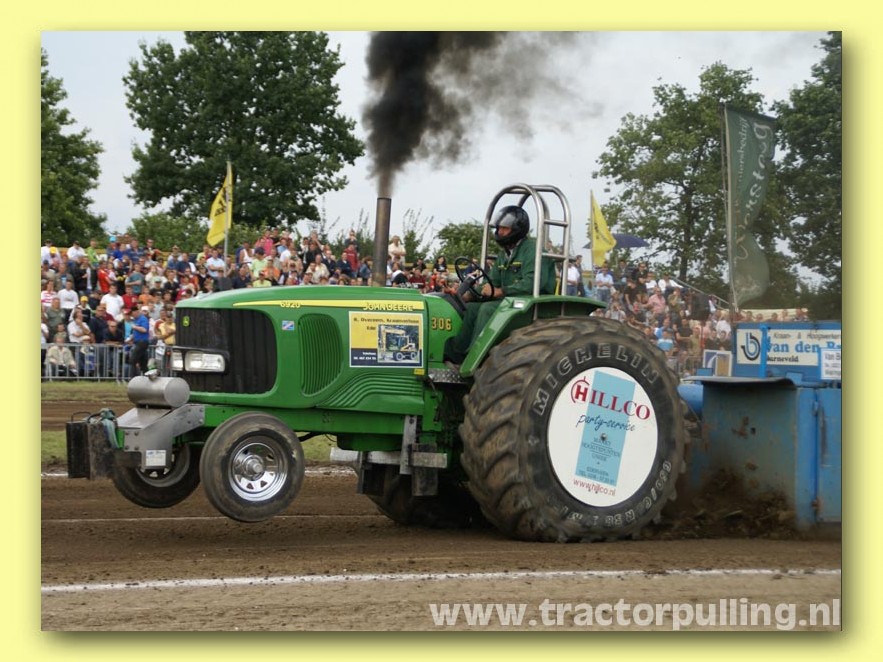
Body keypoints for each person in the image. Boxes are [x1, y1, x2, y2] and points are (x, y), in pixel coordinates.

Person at [444, 206, 556, 365]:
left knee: (487, 309)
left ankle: (475, 359)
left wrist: (502, 291)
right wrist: (466, 295)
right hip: (510, 301)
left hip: (530, 302)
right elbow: (491, 282)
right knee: (471, 309)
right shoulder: (504, 255)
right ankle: (456, 354)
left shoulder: (532, 249)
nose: (499, 232)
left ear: (517, 229)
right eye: (498, 228)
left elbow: (533, 282)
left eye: (504, 228)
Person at [130, 306, 151, 377]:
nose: (132, 315)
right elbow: (136, 332)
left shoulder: (143, 319)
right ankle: (148, 378)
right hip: (138, 342)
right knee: (143, 363)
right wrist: (131, 338)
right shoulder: (136, 320)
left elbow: (144, 330)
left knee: (133, 360)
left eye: (132, 313)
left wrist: (135, 327)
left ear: (136, 312)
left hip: (142, 342)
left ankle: (132, 378)